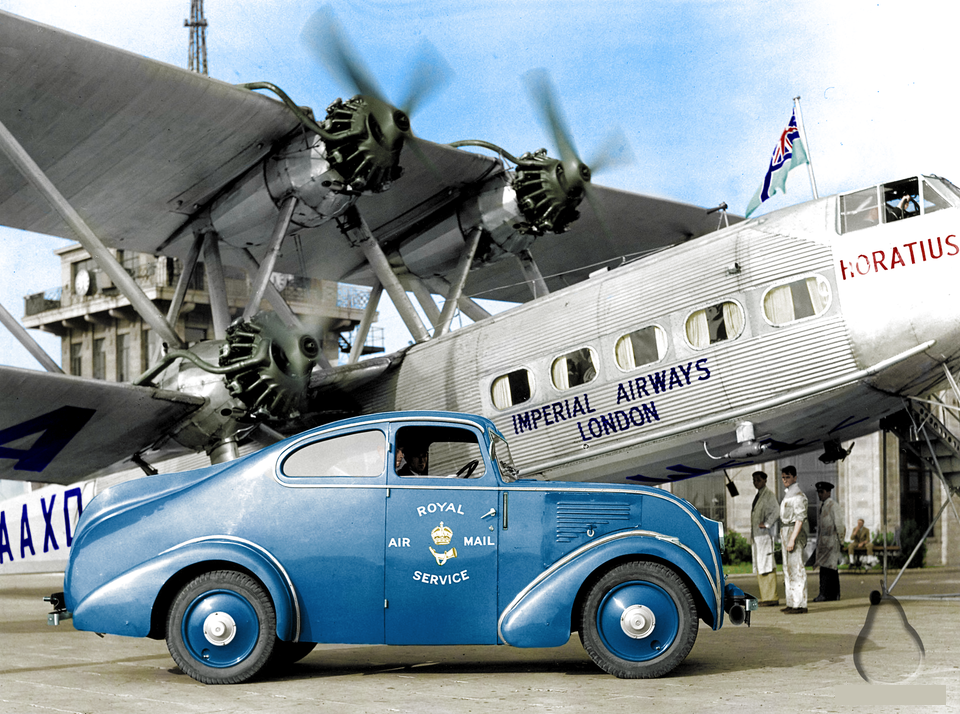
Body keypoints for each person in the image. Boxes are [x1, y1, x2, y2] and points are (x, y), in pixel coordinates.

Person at [779, 465, 809, 614]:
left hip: (793, 531)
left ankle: (800, 604)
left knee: (796, 567)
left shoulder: (797, 495)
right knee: (788, 568)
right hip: (786, 529)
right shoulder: (789, 494)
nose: (785, 480)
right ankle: (791, 602)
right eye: (783, 477)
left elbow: (799, 519)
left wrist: (792, 539)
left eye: (788, 477)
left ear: (795, 477)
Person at [750, 471, 780, 606]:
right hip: (758, 537)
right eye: (754, 480)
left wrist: (767, 523)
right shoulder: (759, 495)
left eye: (758, 480)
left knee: (767, 565)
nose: (756, 482)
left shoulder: (769, 495)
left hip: (765, 536)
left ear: (765, 480)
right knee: (761, 566)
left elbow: (776, 511)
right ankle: (766, 596)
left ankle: (771, 597)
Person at [813, 481, 845, 602]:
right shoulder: (823, 505)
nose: (819, 494)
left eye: (822, 492)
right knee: (826, 568)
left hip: (832, 541)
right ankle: (830, 594)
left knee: (830, 568)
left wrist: (841, 541)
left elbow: (840, 524)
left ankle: (828, 594)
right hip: (824, 542)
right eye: (818, 492)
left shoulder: (833, 505)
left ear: (828, 492)